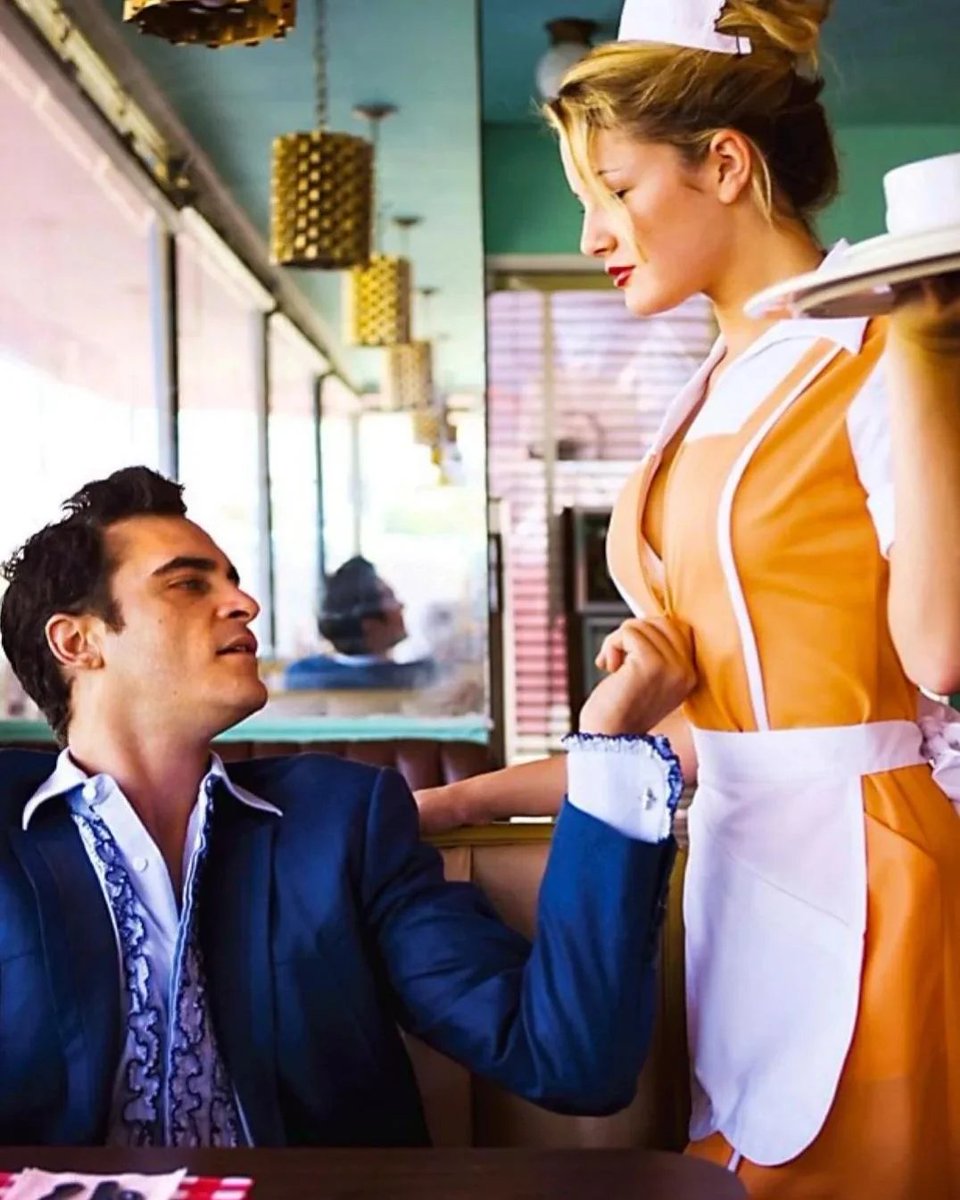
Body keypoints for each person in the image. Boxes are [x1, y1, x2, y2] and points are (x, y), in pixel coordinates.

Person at [417, 0, 960, 1194]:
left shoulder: (886, 353)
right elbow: (699, 741)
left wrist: (928, 350)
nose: (594, 229)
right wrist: (447, 814)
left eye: (614, 188)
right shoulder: (718, 382)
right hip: (733, 884)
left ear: (725, 164)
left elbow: (944, 651)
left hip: (871, 885)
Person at [0, 465, 690, 1147]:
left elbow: (570, 1061)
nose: (245, 604)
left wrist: (609, 747)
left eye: (234, 580)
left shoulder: (339, 824)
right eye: (188, 583)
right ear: (77, 642)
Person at [284, 556, 435, 691]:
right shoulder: (414, 679)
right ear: (368, 624)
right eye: (390, 598)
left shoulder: (302, 675)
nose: (401, 605)